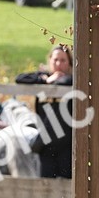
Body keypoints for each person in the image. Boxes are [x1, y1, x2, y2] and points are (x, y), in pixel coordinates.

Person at [15, 45, 74, 179]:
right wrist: (44, 80)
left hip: (67, 144)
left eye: (63, 60)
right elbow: (20, 78)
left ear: (69, 63)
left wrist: (54, 81)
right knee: (45, 184)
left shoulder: (73, 80)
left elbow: (67, 81)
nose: (59, 64)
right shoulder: (44, 78)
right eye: (55, 60)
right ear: (50, 61)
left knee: (68, 186)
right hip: (46, 143)